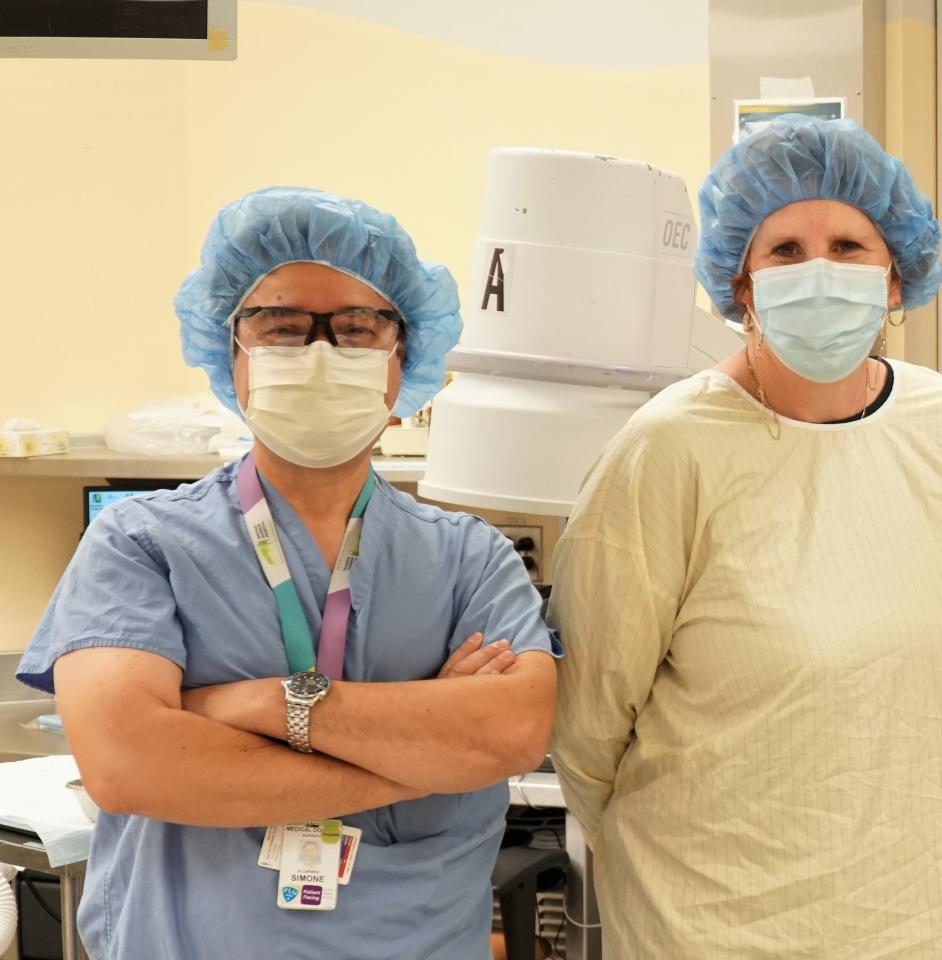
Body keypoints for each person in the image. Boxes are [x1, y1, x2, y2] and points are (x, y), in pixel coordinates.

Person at [20, 187, 560, 959]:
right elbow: (128, 763)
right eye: (280, 326)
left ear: (403, 363)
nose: (317, 353)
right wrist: (423, 758)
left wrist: (265, 703)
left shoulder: (470, 556)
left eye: (356, 329)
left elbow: (510, 731)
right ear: (230, 359)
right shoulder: (141, 544)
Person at [547, 115, 942, 958]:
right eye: (786, 252)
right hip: (723, 924)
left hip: (941, 916)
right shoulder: (669, 450)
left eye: (849, 245)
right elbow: (587, 730)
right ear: (742, 283)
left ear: (897, 277)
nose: (821, 273)